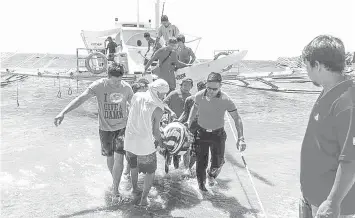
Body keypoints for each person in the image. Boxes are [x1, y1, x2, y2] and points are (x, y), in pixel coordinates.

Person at [54, 63, 134, 199]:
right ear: (108, 77)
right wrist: (63, 112)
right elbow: (80, 99)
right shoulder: (98, 86)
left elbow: (135, 105)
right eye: (114, 81)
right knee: (110, 158)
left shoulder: (126, 88)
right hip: (105, 129)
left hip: (122, 128)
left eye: (119, 80)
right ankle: (116, 180)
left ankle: (115, 189)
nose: (117, 84)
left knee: (119, 157)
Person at [299, 35, 355, 218]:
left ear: (319, 66)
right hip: (311, 197)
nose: (306, 71)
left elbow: (351, 159)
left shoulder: (347, 102)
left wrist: (332, 202)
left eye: (307, 66)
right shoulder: (328, 89)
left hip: (330, 208)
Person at [186, 72, 247, 191]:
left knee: (217, 163)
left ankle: (211, 175)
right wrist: (189, 121)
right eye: (209, 88)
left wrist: (241, 138)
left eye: (215, 89)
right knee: (200, 164)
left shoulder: (226, 99)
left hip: (217, 135)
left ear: (221, 86)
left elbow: (237, 118)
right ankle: (202, 188)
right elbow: (195, 107)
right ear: (206, 85)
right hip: (201, 134)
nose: (211, 91)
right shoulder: (199, 95)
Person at [124, 79, 170, 206]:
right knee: (150, 171)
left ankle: (134, 189)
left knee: (133, 165)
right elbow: (155, 132)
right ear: (158, 93)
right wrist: (162, 142)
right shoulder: (158, 108)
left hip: (129, 140)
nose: (164, 96)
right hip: (145, 144)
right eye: (163, 94)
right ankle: (144, 198)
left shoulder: (137, 96)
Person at [163, 78, 193, 171]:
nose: (187, 87)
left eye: (189, 85)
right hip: (172, 125)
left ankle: (186, 169)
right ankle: (167, 169)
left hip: (185, 126)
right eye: (185, 85)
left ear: (192, 87)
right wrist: (171, 112)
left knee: (186, 148)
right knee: (169, 147)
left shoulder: (191, 97)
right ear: (181, 85)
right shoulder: (174, 93)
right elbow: (163, 104)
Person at [178, 80, 207, 175]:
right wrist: (178, 122)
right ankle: (187, 168)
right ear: (198, 89)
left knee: (196, 151)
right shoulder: (190, 99)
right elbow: (185, 114)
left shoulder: (211, 101)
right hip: (190, 128)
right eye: (202, 89)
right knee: (186, 148)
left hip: (202, 130)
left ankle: (189, 167)